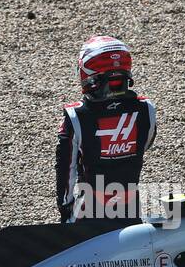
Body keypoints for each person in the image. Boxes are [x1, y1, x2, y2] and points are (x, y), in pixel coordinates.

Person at [55, 36, 157, 223]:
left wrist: (65, 208)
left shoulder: (76, 115)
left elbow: (66, 169)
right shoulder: (146, 109)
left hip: (88, 215)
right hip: (130, 213)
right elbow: (146, 144)